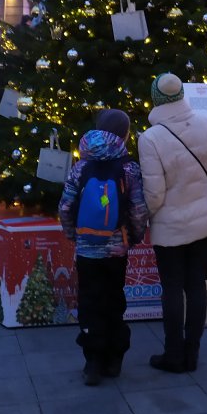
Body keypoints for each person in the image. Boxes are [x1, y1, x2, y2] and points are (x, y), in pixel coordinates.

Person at [138, 73, 207, 374]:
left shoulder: (151, 138)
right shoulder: (205, 125)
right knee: (197, 285)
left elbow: (154, 192)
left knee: (173, 288)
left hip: (171, 227)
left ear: (157, 99)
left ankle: (173, 353)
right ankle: (193, 353)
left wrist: (146, 218)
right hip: (205, 220)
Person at [58, 109, 149, 386]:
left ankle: (92, 362)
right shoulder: (129, 168)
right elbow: (138, 210)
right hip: (115, 250)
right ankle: (114, 359)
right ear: (124, 133)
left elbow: (65, 206)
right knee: (113, 301)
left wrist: (74, 235)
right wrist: (131, 240)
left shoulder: (80, 166)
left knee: (89, 301)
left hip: (87, 249)